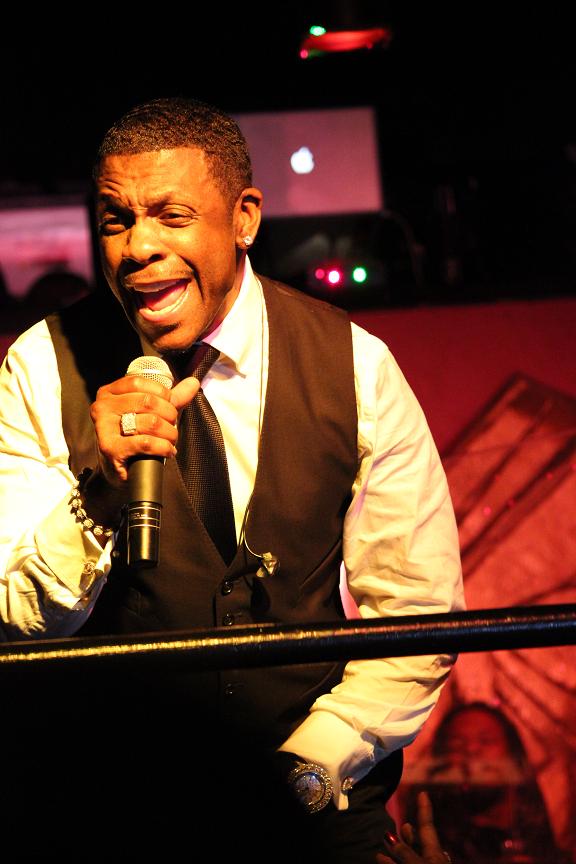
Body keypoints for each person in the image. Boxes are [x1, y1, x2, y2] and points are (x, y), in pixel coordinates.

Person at [0, 96, 464, 862]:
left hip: (314, 807)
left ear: (244, 218)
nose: (138, 246)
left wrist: (309, 768)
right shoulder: (41, 366)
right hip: (111, 809)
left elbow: (420, 615)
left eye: (171, 215)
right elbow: (16, 623)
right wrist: (101, 498)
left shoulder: (355, 366)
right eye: (116, 220)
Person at [401, 701, 567, 864]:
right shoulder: (427, 844)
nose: (471, 750)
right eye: (457, 744)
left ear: (512, 754)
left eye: (486, 740)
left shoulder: (540, 839)